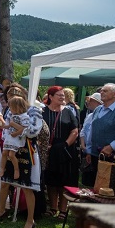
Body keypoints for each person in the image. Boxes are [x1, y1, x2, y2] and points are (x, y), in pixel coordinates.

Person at [0, 83, 43, 228]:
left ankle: (30, 220)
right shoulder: (10, 109)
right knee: (5, 181)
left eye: (16, 93)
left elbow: (33, 131)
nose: (13, 96)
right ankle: (1, 210)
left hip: (26, 149)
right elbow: (7, 127)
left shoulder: (34, 110)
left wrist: (17, 131)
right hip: (11, 146)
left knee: (26, 186)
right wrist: (9, 134)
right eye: (10, 94)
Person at [42, 86, 78, 220]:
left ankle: (63, 210)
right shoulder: (42, 111)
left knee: (64, 180)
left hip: (64, 151)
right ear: (51, 97)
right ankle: (53, 207)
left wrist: (65, 144)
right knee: (51, 180)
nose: (62, 97)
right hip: (48, 151)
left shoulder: (68, 111)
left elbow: (75, 131)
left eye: (63, 95)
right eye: (59, 95)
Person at [82, 84, 115, 187]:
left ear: (114, 94)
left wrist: (112, 147)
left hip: (112, 157)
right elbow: (91, 131)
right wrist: (89, 150)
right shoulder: (98, 109)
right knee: (95, 186)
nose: (101, 93)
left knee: (108, 188)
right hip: (95, 155)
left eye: (105, 91)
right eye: (101, 90)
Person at [0, 97, 30, 180]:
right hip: (10, 136)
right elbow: (9, 125)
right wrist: (3, 126)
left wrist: (16, 133)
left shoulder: (24, 117)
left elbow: (24, 128)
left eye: (11, 107)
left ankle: (16, 170)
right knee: (4, 153)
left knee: (11, 154)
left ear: (17, 107)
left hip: (16, 138)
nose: (10, 109)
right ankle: (2, 168)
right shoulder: (12, 115)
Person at [79, 92, 103, 186]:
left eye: (91, 101)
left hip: (98, 152)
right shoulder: (89, 116)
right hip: (88, 151)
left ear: (99, 103)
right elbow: (83, 131)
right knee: (87, 179)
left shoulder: (101, 116)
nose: (88, 103)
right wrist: (83, 145)